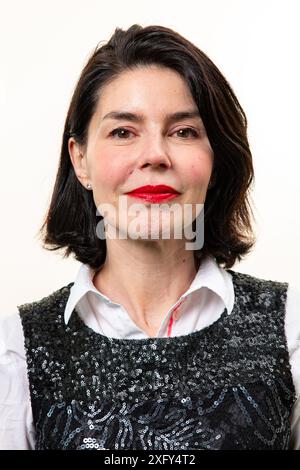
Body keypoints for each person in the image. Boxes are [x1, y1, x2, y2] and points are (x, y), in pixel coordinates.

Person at [0, 24, 299, 451]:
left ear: (216, 159)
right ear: (80, 160)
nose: (155, 155)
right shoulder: (14, 351)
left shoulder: (291, 330)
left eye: (184, 132)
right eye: (123, 132)